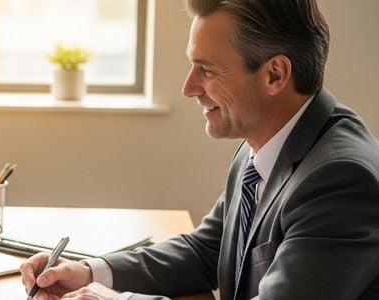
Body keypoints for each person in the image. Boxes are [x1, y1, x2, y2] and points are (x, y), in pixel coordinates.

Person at [21, 0, 379, 299]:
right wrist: (89, 272)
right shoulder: (267, 144)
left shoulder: (341, 179)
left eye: (206, 70)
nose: (189, 87)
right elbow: (207, 249)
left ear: (274, 75)